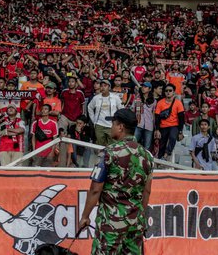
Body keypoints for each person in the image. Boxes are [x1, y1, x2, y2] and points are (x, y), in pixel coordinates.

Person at [79, 108, 154, 255]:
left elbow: (95, 189)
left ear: (121, 127)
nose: (110, 127)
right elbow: (147, 191)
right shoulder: (147, 155)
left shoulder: (108, 153)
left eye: (113, 124)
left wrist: (85, 216)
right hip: (135, 222)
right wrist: (140, 216)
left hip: (111, 223)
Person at [154, 84, 185, 160]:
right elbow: (157, 117)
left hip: (174, 125)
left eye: (170, 90)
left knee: (172, 137)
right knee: (162, 144)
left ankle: (166, 154)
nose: (168, 92)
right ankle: (160, 159)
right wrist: (157, 130)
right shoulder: (160, 102)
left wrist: (180, 131)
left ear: (174, 92)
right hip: (163, 126)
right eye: (166, 91)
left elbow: (181, 118)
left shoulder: (178, 103)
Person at [88, 80, 123, 146]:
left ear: (109, 87)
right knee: (100, 144)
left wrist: (118, 121)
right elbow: (89, 107)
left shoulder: (115, 97)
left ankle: (109, 156)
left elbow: (121, 109)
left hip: (112, 125)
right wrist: (93, 120)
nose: (103, 88)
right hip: (99, 125)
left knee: (112, 145)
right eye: (101, 86)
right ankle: (102, 155)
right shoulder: (96, 98)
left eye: (105, 86)